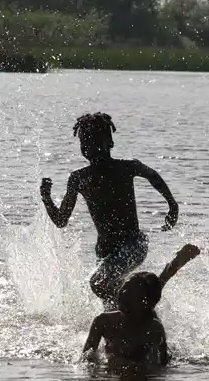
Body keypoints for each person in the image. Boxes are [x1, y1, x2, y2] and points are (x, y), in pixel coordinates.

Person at [40, 113, 180, 308]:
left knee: (98, 282)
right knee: (109, 299)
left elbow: (153, 175)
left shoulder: (126, 167)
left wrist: (172, 205)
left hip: (134, 245)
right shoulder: (79, 178)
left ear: (109, 142)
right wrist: (46, 198)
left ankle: (142, 310)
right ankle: (131, 323)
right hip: (105, 251)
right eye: (84, 142)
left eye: (95, 141)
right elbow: (61, 220)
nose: (89, 146)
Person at [81, 244, 201, 368]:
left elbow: (164, 364)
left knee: (154, 289)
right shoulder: (103, 321)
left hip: (143, 316)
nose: (122, 295)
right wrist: (100, 366)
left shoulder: (155, 328)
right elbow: (86, 360)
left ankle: (176, 263)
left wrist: (133, 365)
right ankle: (175, 264)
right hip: (137, 312)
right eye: (123, 289)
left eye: (129, 293)